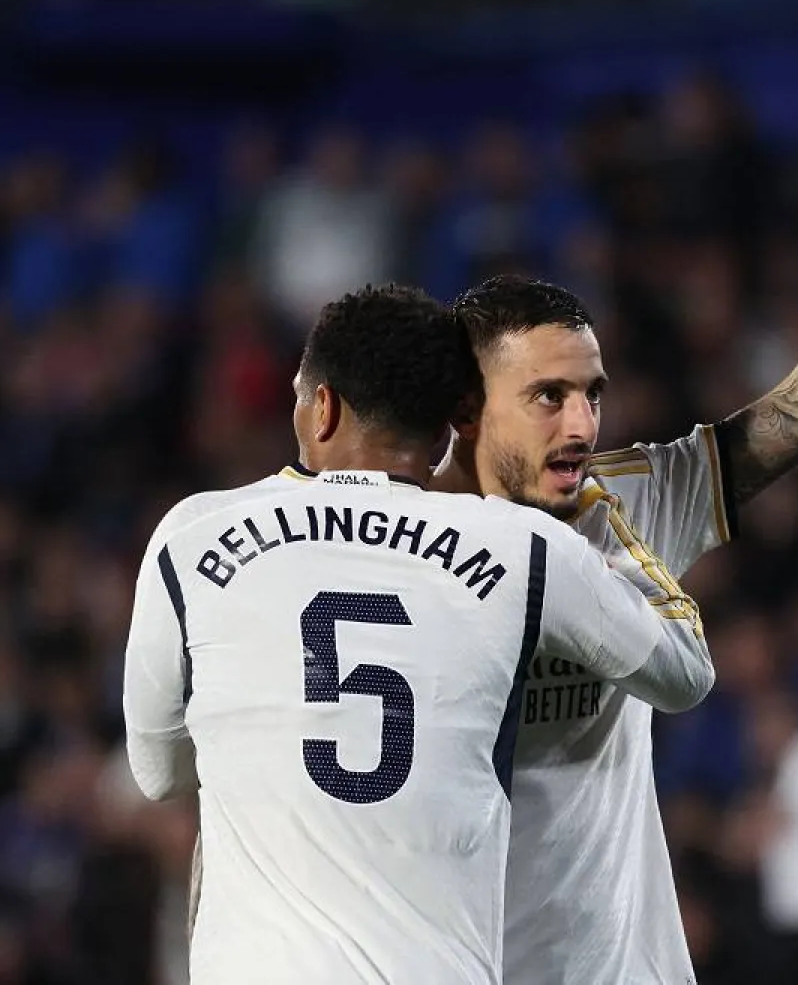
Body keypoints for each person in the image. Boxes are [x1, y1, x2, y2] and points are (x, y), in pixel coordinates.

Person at [436, 107, 798, 983]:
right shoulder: (395, 543)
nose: (584, 422)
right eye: (548, 396)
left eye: (593, 392)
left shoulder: (628, 496)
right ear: (468, 406)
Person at [123, 285, 713, 984]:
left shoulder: (195, 534)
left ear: (322, 406)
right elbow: (683, 675)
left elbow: (158, 773)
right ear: (444, 430)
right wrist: (609, 522)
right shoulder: (520, 548)